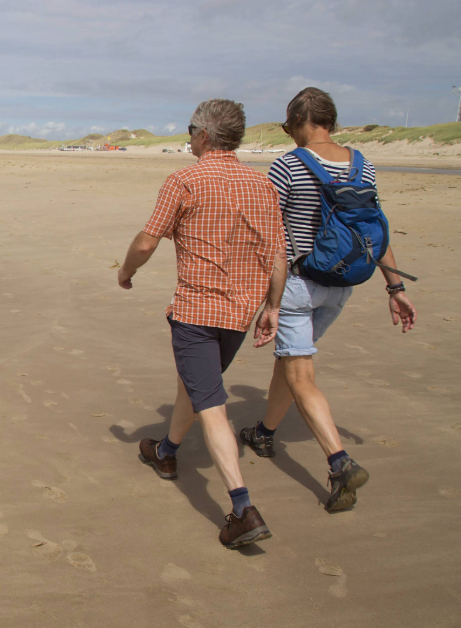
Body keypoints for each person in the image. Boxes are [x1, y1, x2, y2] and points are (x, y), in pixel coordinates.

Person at [117, 99, 286, 549]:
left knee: (211, 404)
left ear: (206, 135)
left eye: (191, 130)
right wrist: (272, 306)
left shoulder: (185, 180)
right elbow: (277, 254)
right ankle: (167, 453)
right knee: (195, 384)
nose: (188, 137)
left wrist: (125, 272)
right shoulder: (262, 185)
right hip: (239, 313)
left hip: (197, 312)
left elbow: (148, 240)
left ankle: (242, 507)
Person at [238, 87, 417, 512]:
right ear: (330, 122)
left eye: (288, 127)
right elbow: (376, 231)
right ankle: (264, 433)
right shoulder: (362, 165)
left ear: (299, 122)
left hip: (299, 282)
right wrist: (396, 288)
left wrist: (271, 301)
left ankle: (339, 462)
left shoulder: (288, 167)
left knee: (302, 375)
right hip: (342, 285)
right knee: (292, 359)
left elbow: (271, 238)